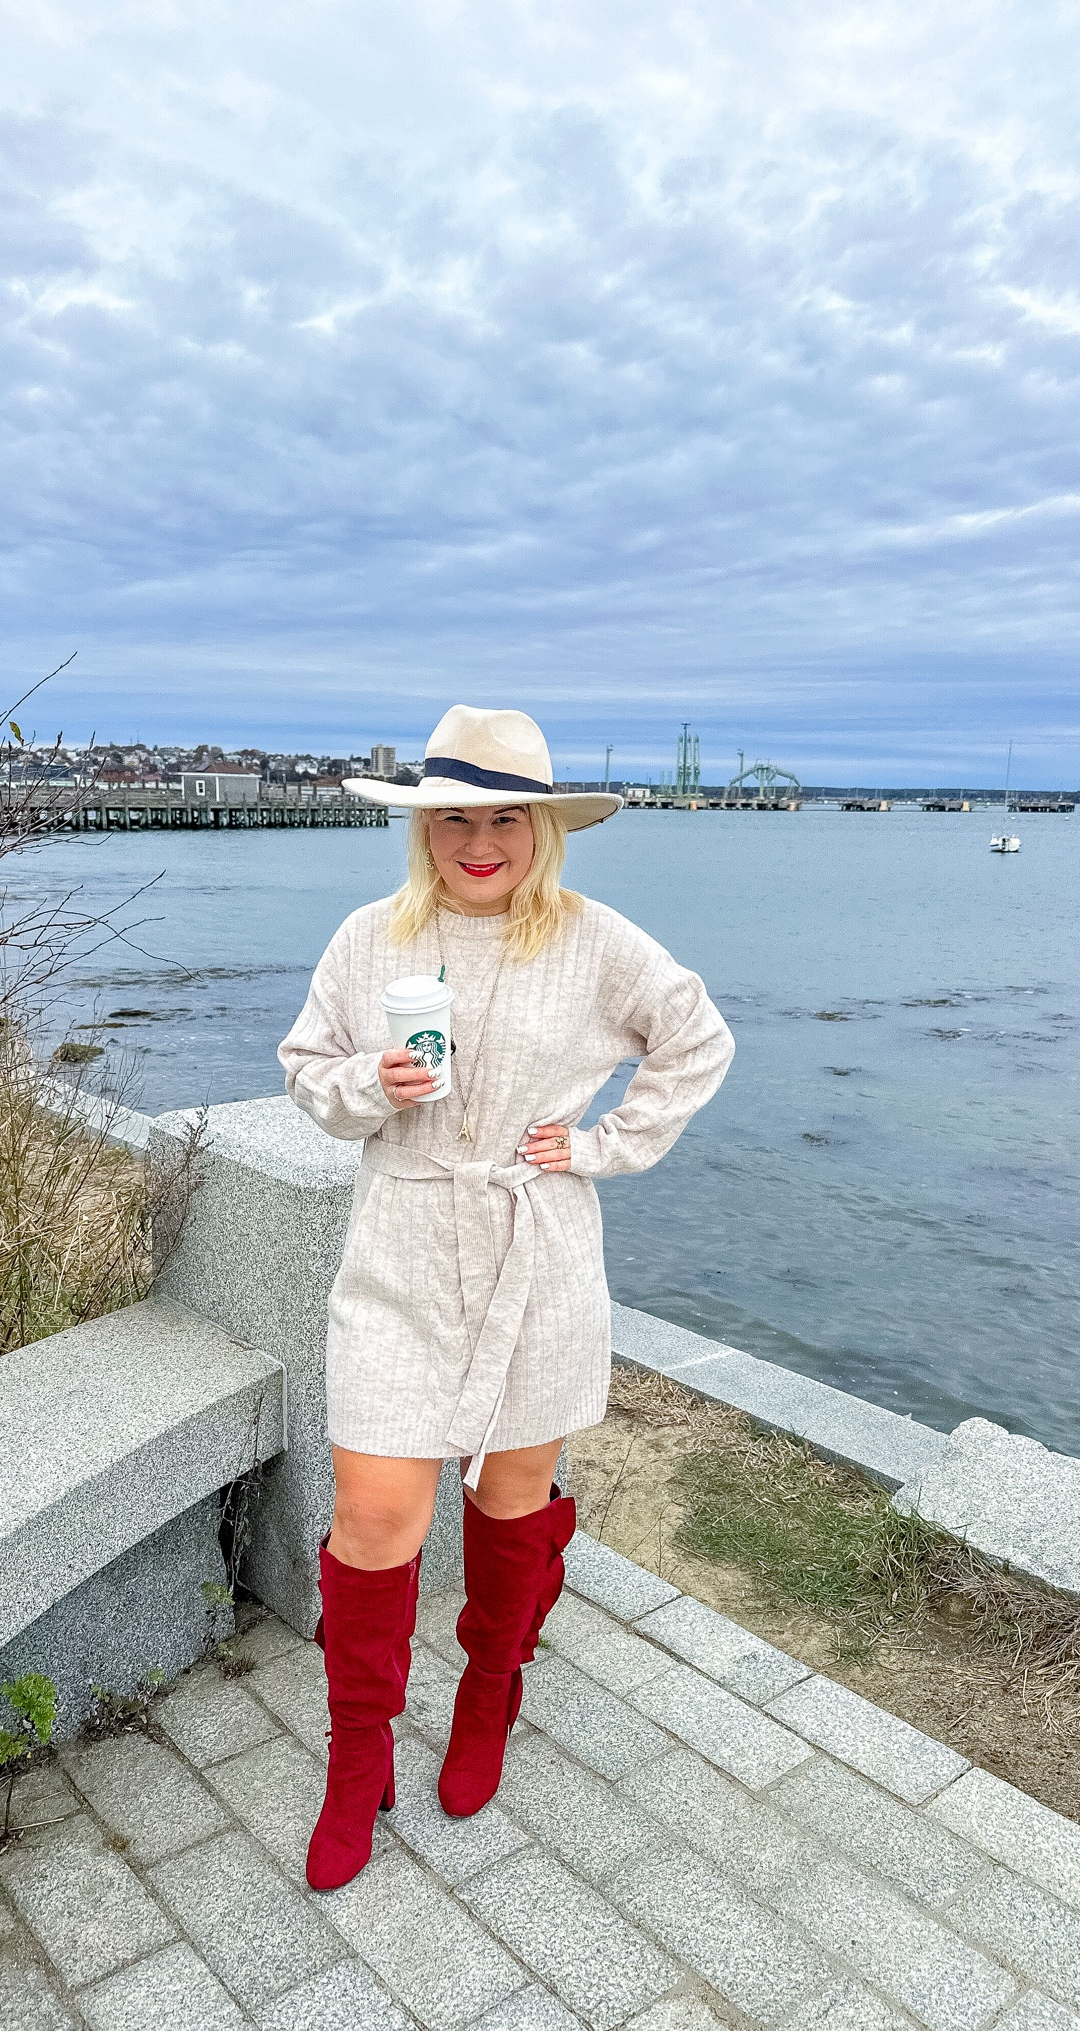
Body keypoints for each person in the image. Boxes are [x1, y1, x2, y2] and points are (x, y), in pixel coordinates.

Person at [278, 704, 734, 1890]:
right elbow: (306, 1069)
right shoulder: (371, 937)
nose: (479, 842)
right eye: (454, 819)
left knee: (512, 1496)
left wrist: (600, 1145)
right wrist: (367, 1085)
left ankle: (491, 1689)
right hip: (403, 1246)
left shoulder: (593, 940)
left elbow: (697, 1038)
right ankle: (355, 1754)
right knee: (376, 1517)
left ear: (542, 828)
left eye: (504, 818)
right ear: (423, 827)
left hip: (536, 1249)